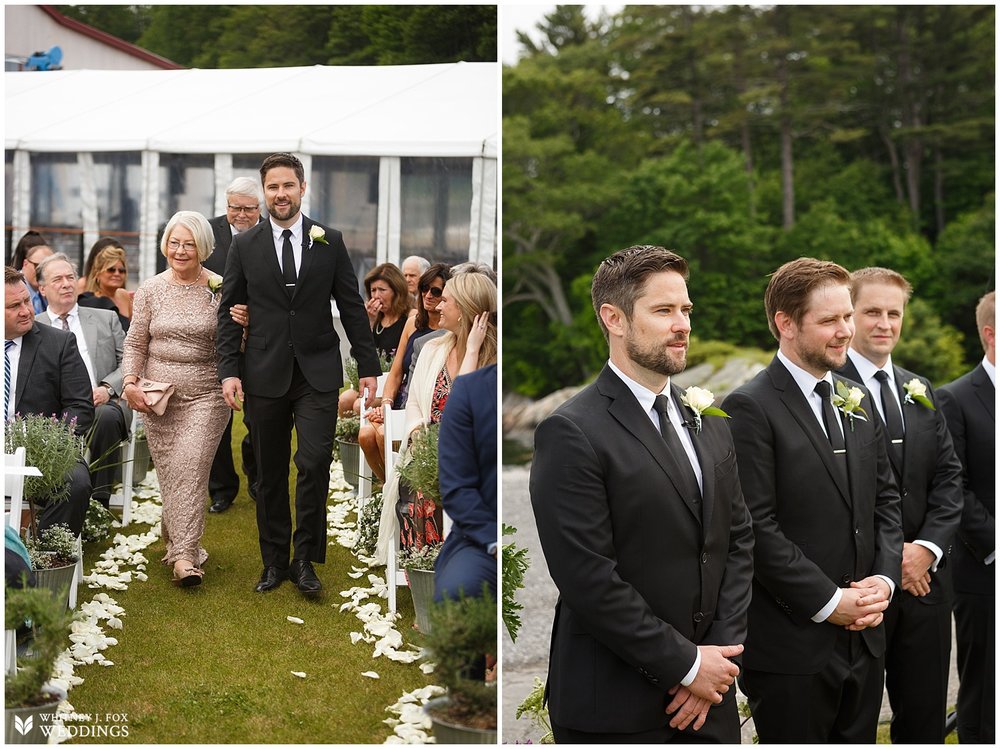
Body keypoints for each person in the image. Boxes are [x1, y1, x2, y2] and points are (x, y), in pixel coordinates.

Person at [529, 246, 752, 743]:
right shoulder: (570, 431)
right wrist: (686, 665)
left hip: (712, 696)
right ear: (615, 319)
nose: (683, 324)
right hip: (614, 704)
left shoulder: (709, 419)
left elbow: (737, 540)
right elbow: (588, 577)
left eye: (686, 310)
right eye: (664, 310)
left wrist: (717, 659)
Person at [721, 257, 903, 743]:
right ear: (785, 324)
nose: (846, 331)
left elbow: (885, 499)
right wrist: (829, 601)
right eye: (829, 321)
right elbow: (755, 526)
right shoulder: (748, 407)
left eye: (847, 317)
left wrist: (883, 581)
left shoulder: (856, 397)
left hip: (865, 637)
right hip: (792, 648)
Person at [217, 152, 380, 598]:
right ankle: (273, 561)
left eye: (288, 185)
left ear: (303, 189)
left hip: (317, 373)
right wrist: (229, 370)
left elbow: (350, 306)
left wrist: (368, 367)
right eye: (273, 187)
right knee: (268, 472)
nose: (281, 194)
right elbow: (228, 312)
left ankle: (305, 559)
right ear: (264, 192)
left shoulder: (329, 241)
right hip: (264, 372)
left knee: (312, 465)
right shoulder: (244, 246)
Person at [836, 266, 963, 743]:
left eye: (894, 313)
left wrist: (926, 548)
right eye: (871, 312)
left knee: (925, 717)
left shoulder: (920, 389)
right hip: (865, 586)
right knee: (857, 721)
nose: (884, 323)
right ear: (850, 316)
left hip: (926, 585)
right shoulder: (829, 389)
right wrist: (894, 561)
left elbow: (950, 479)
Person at [121, 211, 230, 588]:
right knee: (173, 473)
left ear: (203, 248)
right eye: (174, 242)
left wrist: (245, 324)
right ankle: (178, 535)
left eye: (189, 244)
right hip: (158, 397)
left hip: (207, 394)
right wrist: (131, 382)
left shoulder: (220, 286)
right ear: (165, 244)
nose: (180, 250)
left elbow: (235, 344)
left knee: (190, 465)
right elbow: (136, 341)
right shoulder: (151, 289)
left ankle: (185, 555)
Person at [375, 272, 497, 567]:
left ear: (466, 310)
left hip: (477, 456)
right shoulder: (432, 349)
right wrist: (418, 433)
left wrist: (470, 352)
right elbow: (415, 402)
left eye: (446, 301)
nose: (437, 306)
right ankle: (425, 567)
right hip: (430, 451)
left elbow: (463, 412)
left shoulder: (494, 358)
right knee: (417, 482)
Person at [938, 290, 995, 745]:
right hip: (985, 569)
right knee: (984, 687)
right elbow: (953, 484)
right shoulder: (954, 398)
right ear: (990, 334)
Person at [35, 253, 132, 510]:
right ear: (42, 288)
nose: (67, 283)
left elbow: (131, 361)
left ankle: (99, 502)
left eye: (70, 277)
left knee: (107, 417)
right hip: (52, 410)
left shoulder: (104, 318)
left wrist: (108, 388)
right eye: (58, 279)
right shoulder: (34, 327)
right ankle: (50, 500)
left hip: (101, 403)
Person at [5, 266, 92, 536]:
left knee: (75, 483)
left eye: (27, 301)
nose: (26, 311)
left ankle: (48, 559)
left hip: (41, 451)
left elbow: (80, 408)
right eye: (14, 305)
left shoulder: (59, 343)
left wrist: (47, 442)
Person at [203, 177, 264, 513]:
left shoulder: (273, 234)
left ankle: (257, 477)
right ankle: (221, 488)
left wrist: (254, 310)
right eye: (234, 208)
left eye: (247, 209)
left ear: (260, 209)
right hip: (214, 338)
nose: (240, 215)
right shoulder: (208, 234)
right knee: (216, 418)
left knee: (259, 416)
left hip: (259, 340)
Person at [360, 263, 449, 481]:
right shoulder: (413, 323)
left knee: (382, 434)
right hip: (402, 396)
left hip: (427, 403)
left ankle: (397, 491)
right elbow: (396, 371)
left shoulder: (450, 330)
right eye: (424, 288)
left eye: (436, 291)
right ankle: (386, 485)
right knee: (364, 434)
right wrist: (386, 404)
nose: (428, 295)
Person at [433, 363, 496, 603]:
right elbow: (457, 487)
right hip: (478, 538)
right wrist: (494, 541)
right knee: (456, 594)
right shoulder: (470, 390)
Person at [79, 241, 132, 330]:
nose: (117, 274)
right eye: (111, 270)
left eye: (121, 270)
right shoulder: (88, 302)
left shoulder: (124, 296)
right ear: (98, 273)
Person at [364, 263, 412, 358]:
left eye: (382, 290)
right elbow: (356, 353)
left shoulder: (410, 317)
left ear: (396, 291)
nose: (376, 295)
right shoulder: (372, 317)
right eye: (373, 290)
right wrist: (369, 322)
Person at [11, 231, 54, 314]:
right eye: (38, 266)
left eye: (48, 267)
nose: (43, 272)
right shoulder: (10, 287)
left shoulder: (47, 291)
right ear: (25, 263)